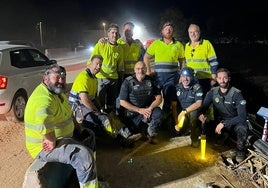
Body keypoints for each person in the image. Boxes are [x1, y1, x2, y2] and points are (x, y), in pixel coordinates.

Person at [24, 64, 98, 188]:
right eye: (56, 77)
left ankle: (83, 175)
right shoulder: (43, 98)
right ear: (45, 79)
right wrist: (50, 140)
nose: (60, 81)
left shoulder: (57, 93)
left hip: (63, 137)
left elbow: (69, 113)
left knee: (89, 136)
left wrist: (78, 128)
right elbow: (43, 120)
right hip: (43, 147)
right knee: (83, 156)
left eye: (63, 78)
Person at [69, 55, 142, 145]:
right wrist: (97, 111)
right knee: (103, 118)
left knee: (110, 114)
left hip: (85, 106)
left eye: (100, 64)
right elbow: (85, 100)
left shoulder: (94, 78)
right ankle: (120, 139)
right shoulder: (84, 77)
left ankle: (127, 134)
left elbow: (95, 98)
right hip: (77, 109)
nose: (98, 67)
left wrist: (101, 108)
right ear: (90, 63)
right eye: (96, 64)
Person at [198, 68, 249, 162]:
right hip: (220, 121)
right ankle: (220, 137)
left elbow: (242, 116)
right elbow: (203, 108)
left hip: (235, 121)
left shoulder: (236, 94)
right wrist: (201, 114)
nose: (222, 80)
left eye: (225, 78)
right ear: (216, 79)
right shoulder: (212, 92)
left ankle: (241, 151)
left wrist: (224, 124)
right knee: (202, 124)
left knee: (242, 129)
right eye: (220, 78)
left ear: (229, 79)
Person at [143, 21, 185, 123]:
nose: (168, 30)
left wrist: (182, 75)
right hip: (158, 77)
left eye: (170, 29)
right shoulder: (156, 43)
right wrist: (148, 70)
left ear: (173, 31)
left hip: (172, 78)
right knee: (155, 98)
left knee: (169, 99)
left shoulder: (178, 45)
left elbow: (182, 61)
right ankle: (150, 119)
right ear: (162, 31)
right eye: (166, 29)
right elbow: (146, 57)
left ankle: (166, 121)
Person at [119, 61, 163, 144]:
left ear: (146, 69)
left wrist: (150, 108)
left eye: (143, 68)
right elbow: (122, 102)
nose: (140, 71)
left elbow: (159, 98)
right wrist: (139, 110)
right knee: (130, 132)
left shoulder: (151, 80)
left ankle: (151, 133)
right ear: (134, 70)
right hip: (133, 111)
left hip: (147, 110)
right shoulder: (127, 82)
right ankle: (139, 132)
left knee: (158, 114)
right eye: (138, 69)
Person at [89, 23, 124, 113]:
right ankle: (101, 118)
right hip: (101, 78)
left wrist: (120, 80)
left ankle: (111, 117)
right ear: (108, 34)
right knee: (99, 101)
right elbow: (92, 62)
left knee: (112, 102)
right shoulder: (101, 45)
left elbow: (120, 66)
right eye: (112, 32)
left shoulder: (120, 48)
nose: (114, 35)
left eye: (116, 33)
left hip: (114, 79)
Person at [185, 23, 219, 95]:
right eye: (190, 32)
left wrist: (213, 76)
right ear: (188, 33)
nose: (193, 34)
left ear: (199, 32)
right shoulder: (187, 46)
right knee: (193, 100)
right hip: (191, 79)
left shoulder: (206, 44)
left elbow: (214, 61)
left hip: (205, 79)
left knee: (204, 101)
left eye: (195, 32)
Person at [174, 67, 203, 147]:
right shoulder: (177, 88)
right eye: (183, 76)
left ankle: (194, 138)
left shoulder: (197, 87)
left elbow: (198, 104)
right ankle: (180, 130)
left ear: (192, 77)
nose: (185, 79)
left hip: (192, 110)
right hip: (182, 111)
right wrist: (176, 120)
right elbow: (174, 104)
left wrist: (183, 112)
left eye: (188, 76)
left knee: (193, 117)